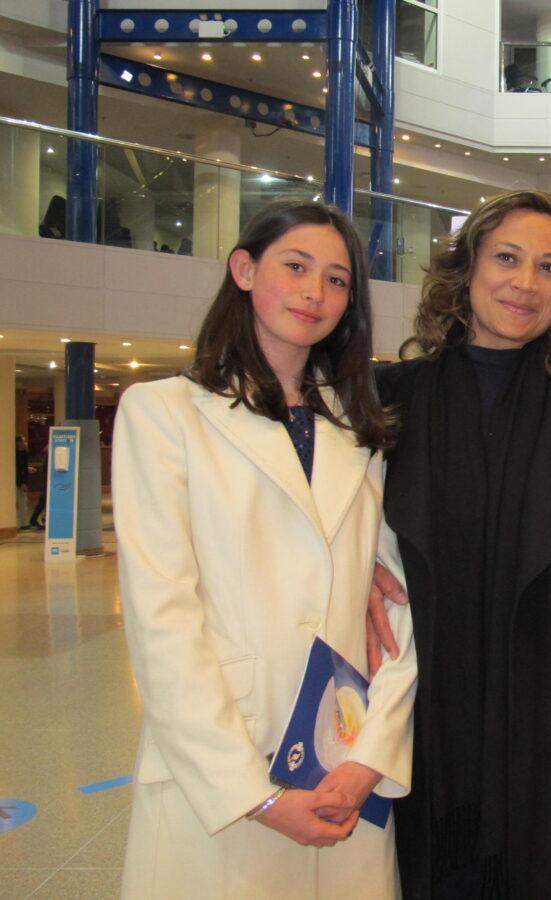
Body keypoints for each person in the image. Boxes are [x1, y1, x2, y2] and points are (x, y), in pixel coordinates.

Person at [113, 201, 418, 899]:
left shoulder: (358, 430)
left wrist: (369, 759)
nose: (315, 293)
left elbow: (399, 612)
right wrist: (254, 793)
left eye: (338, 280)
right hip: (224, 772)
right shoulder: (163, 415)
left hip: (343, 770)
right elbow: (163, 621)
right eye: (296, 267)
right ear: (244, 270)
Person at [368, 190, 551, 898]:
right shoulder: (393, 397)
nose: (526, 283)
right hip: (435, 721)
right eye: (507, 258)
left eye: (549, 268)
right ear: (465, 268)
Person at [15, 435, 29, 528]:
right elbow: (19, 469)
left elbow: (22, 468)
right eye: (23, 441)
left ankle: (23, 523)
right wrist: (22, 483)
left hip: (21, 481)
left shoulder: (23, 454)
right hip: (19, 482)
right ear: (18, 443)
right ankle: (21, 523)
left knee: (23, 501)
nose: (25, 443)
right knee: (21, 502)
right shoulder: (16, 455)